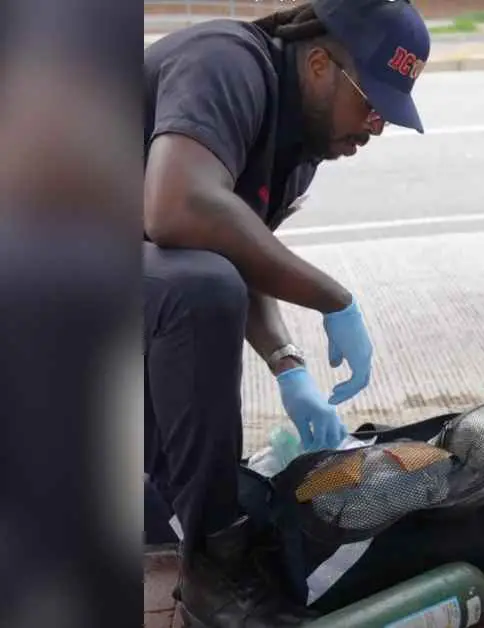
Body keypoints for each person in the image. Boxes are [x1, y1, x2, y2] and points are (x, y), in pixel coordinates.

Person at [143, 1, 430, 625]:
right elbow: (177, 207)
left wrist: (288, 364)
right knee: (199, 291)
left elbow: (235, 245)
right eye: (371, 101)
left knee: (165, 483)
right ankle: (213, 565)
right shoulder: (227, 61)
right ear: (321, 64)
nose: (377, 125)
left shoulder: (299, 150)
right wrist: (335, 297)